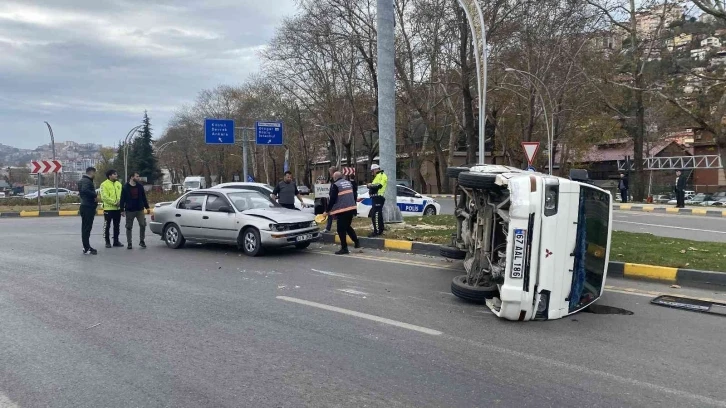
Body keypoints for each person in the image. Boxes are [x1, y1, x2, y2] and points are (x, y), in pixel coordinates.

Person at [324, 171, 360, 255]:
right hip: (351, 208)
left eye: (333, 177)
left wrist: (327, 210)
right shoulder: (348, 183)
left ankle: (344, 248)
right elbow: (354, 194)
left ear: (335, 177)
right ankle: (356, 242)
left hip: (343, 210)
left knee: (340, 229)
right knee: (347, 226)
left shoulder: (336, 185)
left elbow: (332, 199)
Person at [120, 171, 150, 249]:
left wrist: (147, 207)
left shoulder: (140, 186)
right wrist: (122, 210)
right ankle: (129, 243)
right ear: (132, 177)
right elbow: (122, 199)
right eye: (137, 176)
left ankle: (142, 241)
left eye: (138, 176)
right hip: (130, 210)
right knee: (129, 227)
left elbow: (144, 197)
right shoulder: (125, 187)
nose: (138, 178)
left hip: (139, 209)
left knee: (143, 224)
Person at [100, 169, 123, 248]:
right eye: (114, 174)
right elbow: (104, 197)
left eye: (116, 174)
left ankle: (116, 241)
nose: (116, 175)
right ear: (109, 176)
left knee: (117, 225)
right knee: (107, 226)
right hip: (108, 209)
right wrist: (114, 202)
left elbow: (122, 195)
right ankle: (107, 241)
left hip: (117, 209)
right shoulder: (104, 184)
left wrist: (121, 203)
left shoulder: (119, 184)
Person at [78, 167, 99, 255]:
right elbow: (85, 190)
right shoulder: (87, 181)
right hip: (88, 207)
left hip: (85, 206)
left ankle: (86, 246)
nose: (95, 175)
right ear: (91, 172)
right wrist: (95, 195)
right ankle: (87, 248)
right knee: (86, 228)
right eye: (94, 173)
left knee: (86, 228)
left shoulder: (82, 180)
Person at [367, 163, 388, 237]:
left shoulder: (382, 175)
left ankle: (377, 231)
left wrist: (370, 185)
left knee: (375, 215)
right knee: (378, 214)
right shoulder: (377, 176)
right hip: (376, 198)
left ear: (376, 169)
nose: (372, 173)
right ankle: (380, 229)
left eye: (372, 171)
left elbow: (379, 185)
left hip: (378, 197)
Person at [324, 166, 337, 232]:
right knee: (330, 214)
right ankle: (328, 228)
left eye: (330, 172)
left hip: (335, 200)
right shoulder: (331, 179)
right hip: (330, 197)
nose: (329, 173)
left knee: (335, 214)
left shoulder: (335, 179)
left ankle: (340, 229)